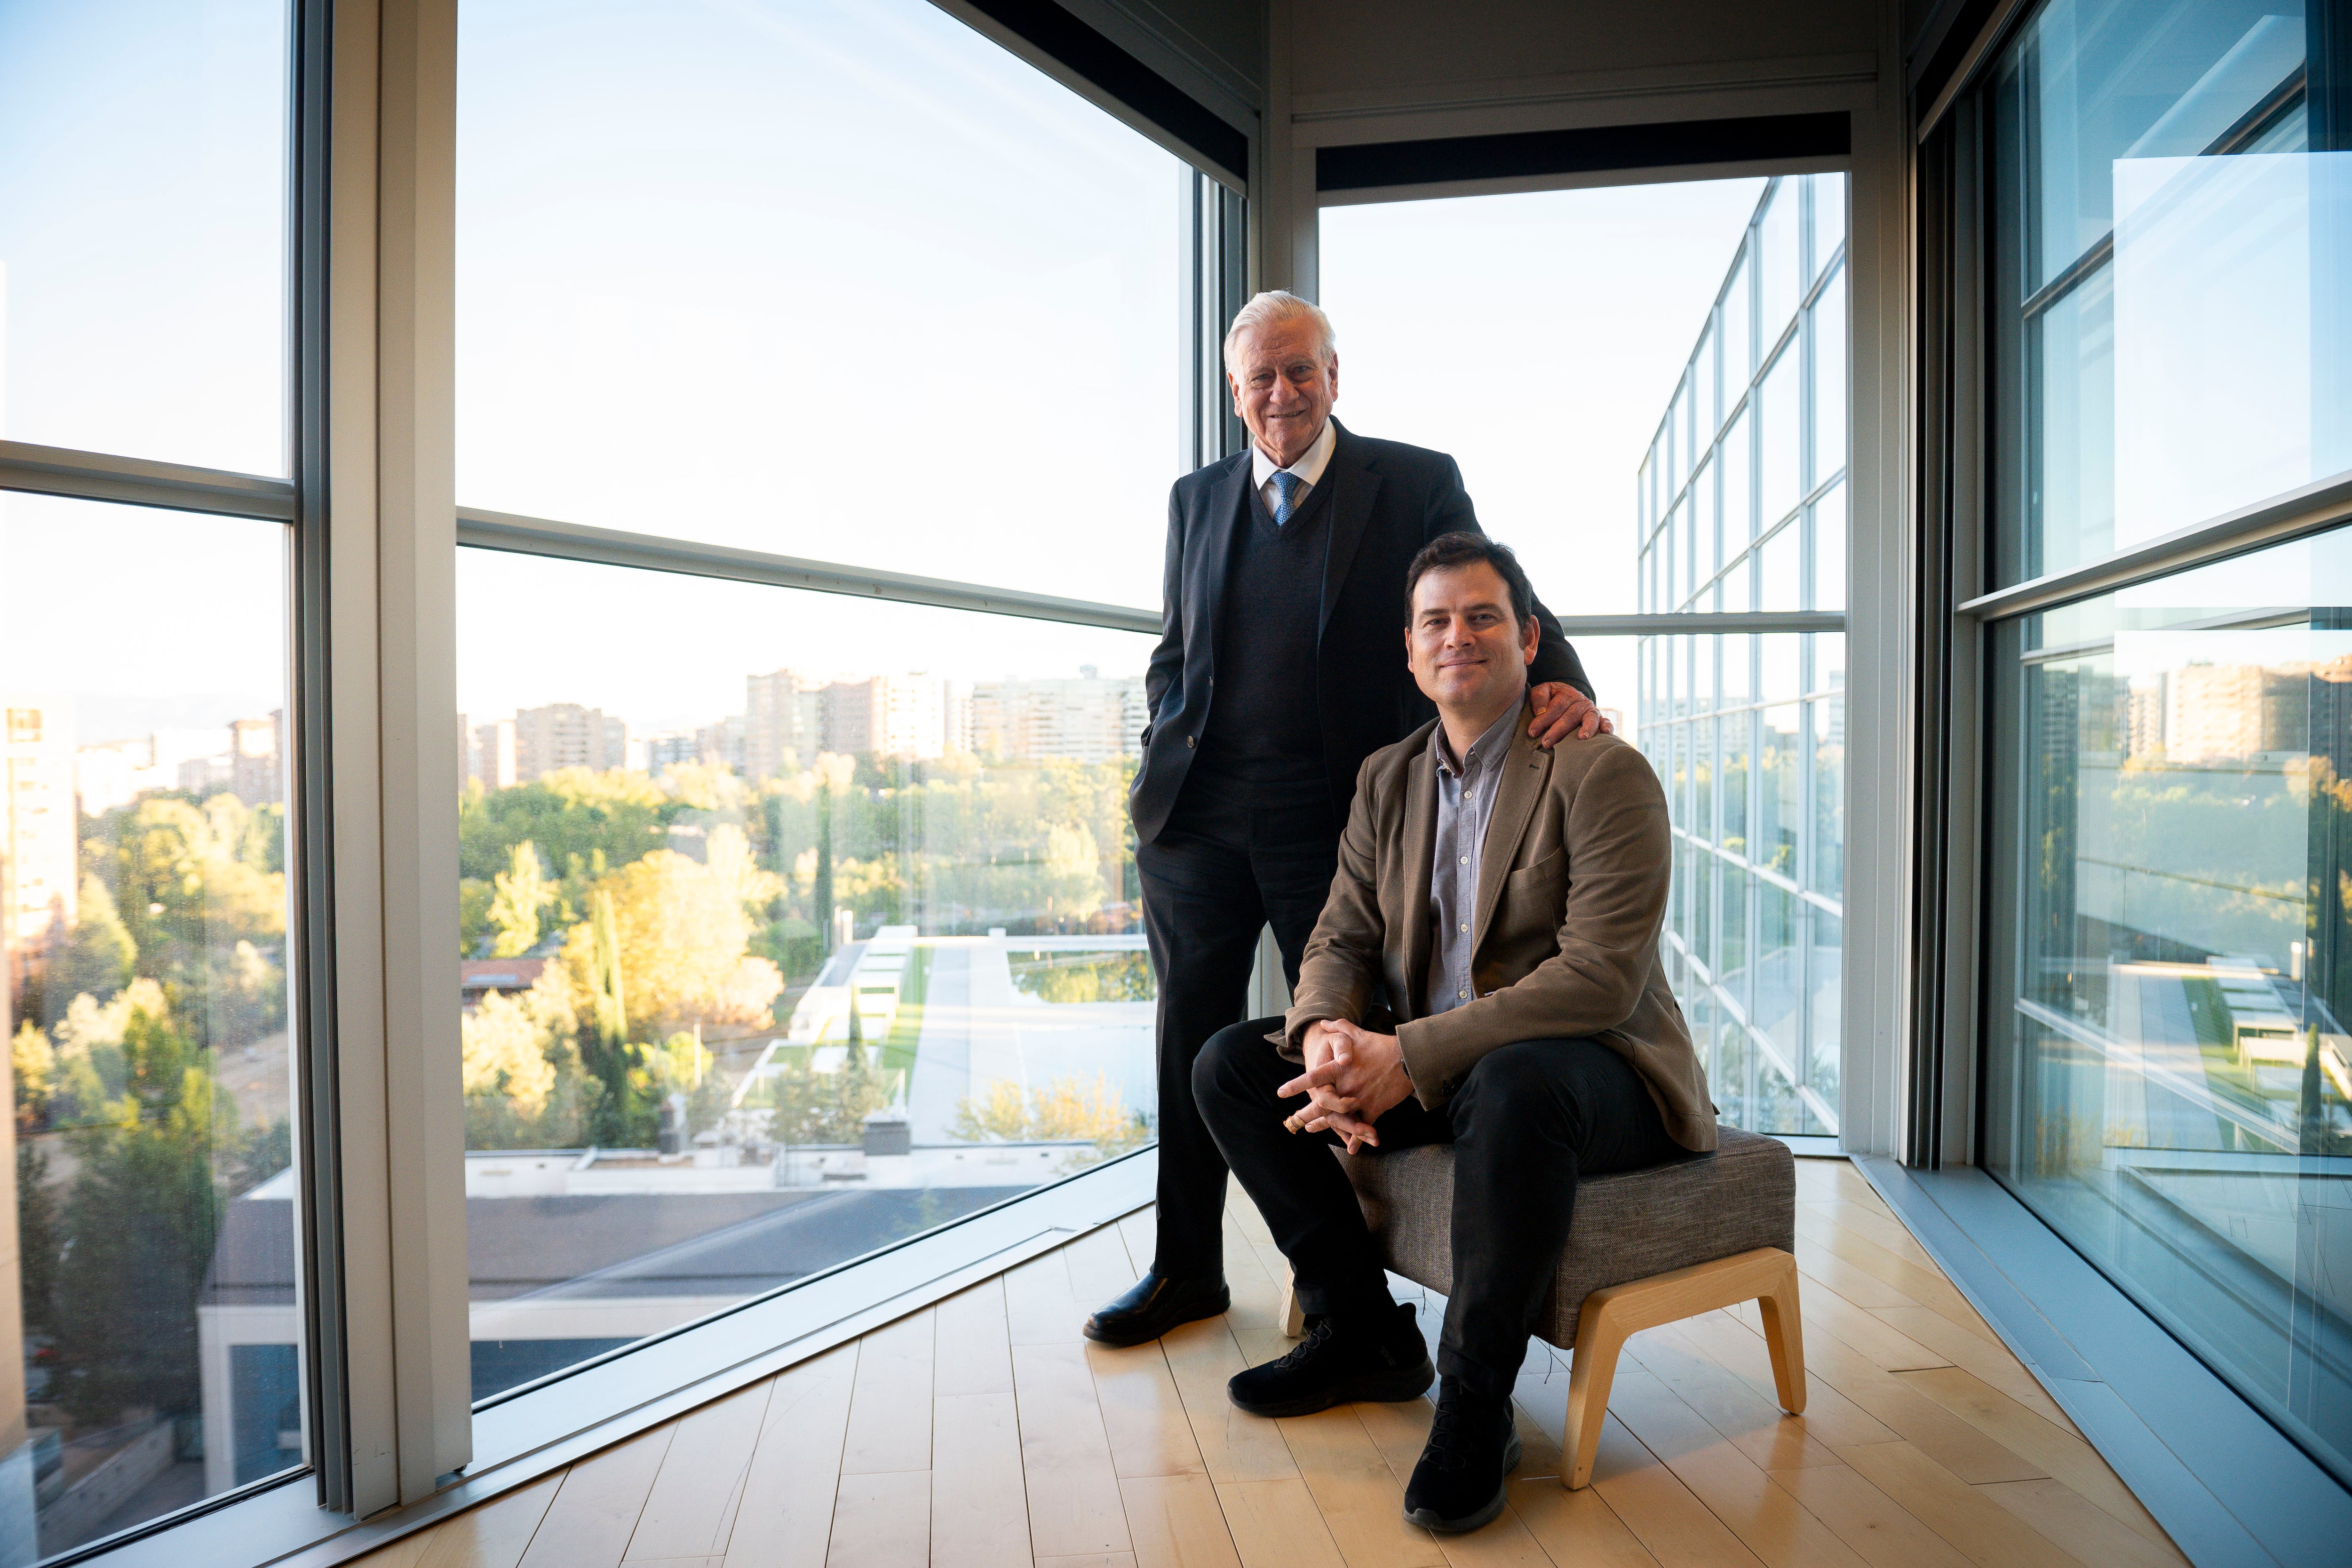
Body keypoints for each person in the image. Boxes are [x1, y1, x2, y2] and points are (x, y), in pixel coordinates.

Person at [1085, 292, 1610, 1349]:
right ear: (1234, 391)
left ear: (1335, 375)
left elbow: (1494, 591)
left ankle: (1341, 1293)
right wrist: (1159, 742)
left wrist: (1566, 687)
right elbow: (1176, 651)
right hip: (1197, 818)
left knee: (1318, 1041)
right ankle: (1186, 1267)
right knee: (1188, 1038)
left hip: (1331, 818)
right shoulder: (1196, 499)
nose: (1281, 393)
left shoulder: (1411, 480)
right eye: (1260, 377)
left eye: (1300, 370)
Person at [1191, 532, 1715, 1534]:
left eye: (1482, 616)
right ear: (1410, 648)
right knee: (1232, 1066)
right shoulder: (1386, 778)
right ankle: (1361, 1329)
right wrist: (1328, 1036)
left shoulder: (1600, 771)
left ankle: (1476, 1402)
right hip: (1442, 1068)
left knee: (1513, 1082)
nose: (1457, 636)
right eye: (1435, 620)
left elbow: (1599, 978)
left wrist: (1409, 1056)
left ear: (1528, 638)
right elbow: (1340, 934)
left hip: (1598, 1075)